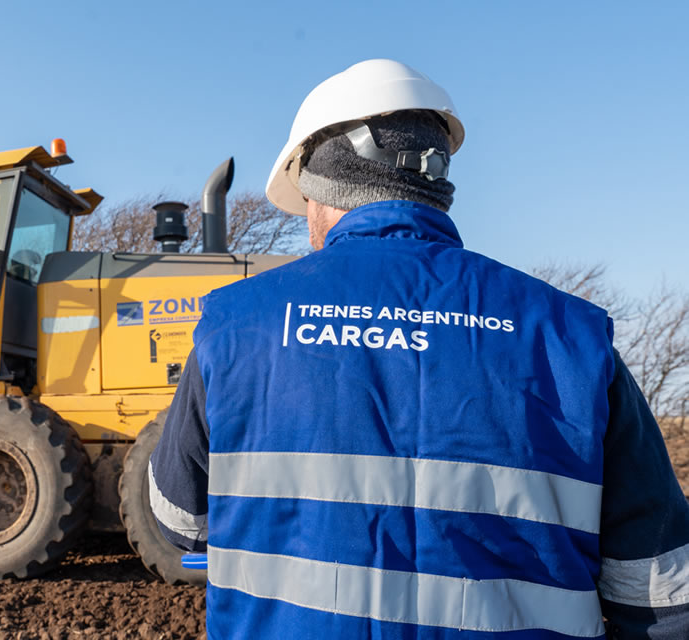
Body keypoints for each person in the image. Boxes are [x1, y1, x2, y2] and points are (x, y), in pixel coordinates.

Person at [149, 59, 689, 639]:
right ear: (438, 180)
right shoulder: (573, 334)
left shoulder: (235, 323)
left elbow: (181, 519)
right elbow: (658, 589)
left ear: (319, 185)